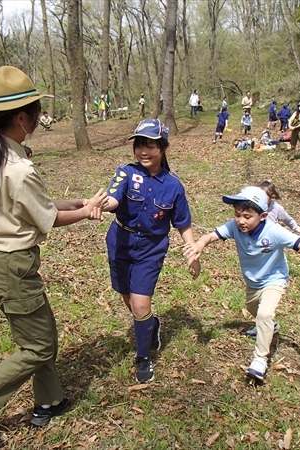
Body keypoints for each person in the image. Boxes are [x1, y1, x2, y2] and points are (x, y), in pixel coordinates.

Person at [0, 66, 108, 446]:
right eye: (35, 113)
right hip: (12, 266)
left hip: (0, 263)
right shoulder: (18, 168)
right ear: (21, 117)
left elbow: (30, 207)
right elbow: (48, 218)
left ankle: (49, 401)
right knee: (39, 345)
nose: (38, 120)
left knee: (41, 332)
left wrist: (77, 200)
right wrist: (87, 210)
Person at [184, 186, 300, 381]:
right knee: (253, 309)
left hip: (274, 278)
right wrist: (199, 245)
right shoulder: (234, 226)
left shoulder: (274, 231)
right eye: (238, 214)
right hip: (253, 281)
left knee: (264, 313)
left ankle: (259, 360)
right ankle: (269, 327)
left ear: (262, 216)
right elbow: (211, 236)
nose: (241, 220)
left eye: (247, 216)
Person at [102, 118, 201, 383]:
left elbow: (183, 223)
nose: (144, 151)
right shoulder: (126, 172)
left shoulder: (173, 186)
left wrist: (192, 253)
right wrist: (99, 205)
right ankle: (150, 324)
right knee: (129, 299)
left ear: (163, 148)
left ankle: (143, 356)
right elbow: (113, 198)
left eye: (151, 145)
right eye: (139, 145)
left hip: (151, 248)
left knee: (140, 303)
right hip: (120, 242)